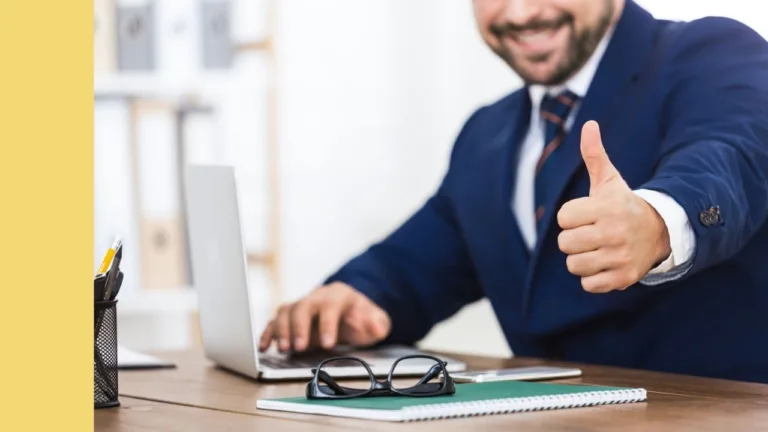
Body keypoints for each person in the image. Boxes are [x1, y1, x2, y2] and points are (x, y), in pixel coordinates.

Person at [260, 0, 768, 383]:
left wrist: (658, 222)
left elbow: (731, 155)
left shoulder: (710, 53)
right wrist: (352, 299)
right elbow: (416, 263)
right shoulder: (486, 136)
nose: (521, 13)